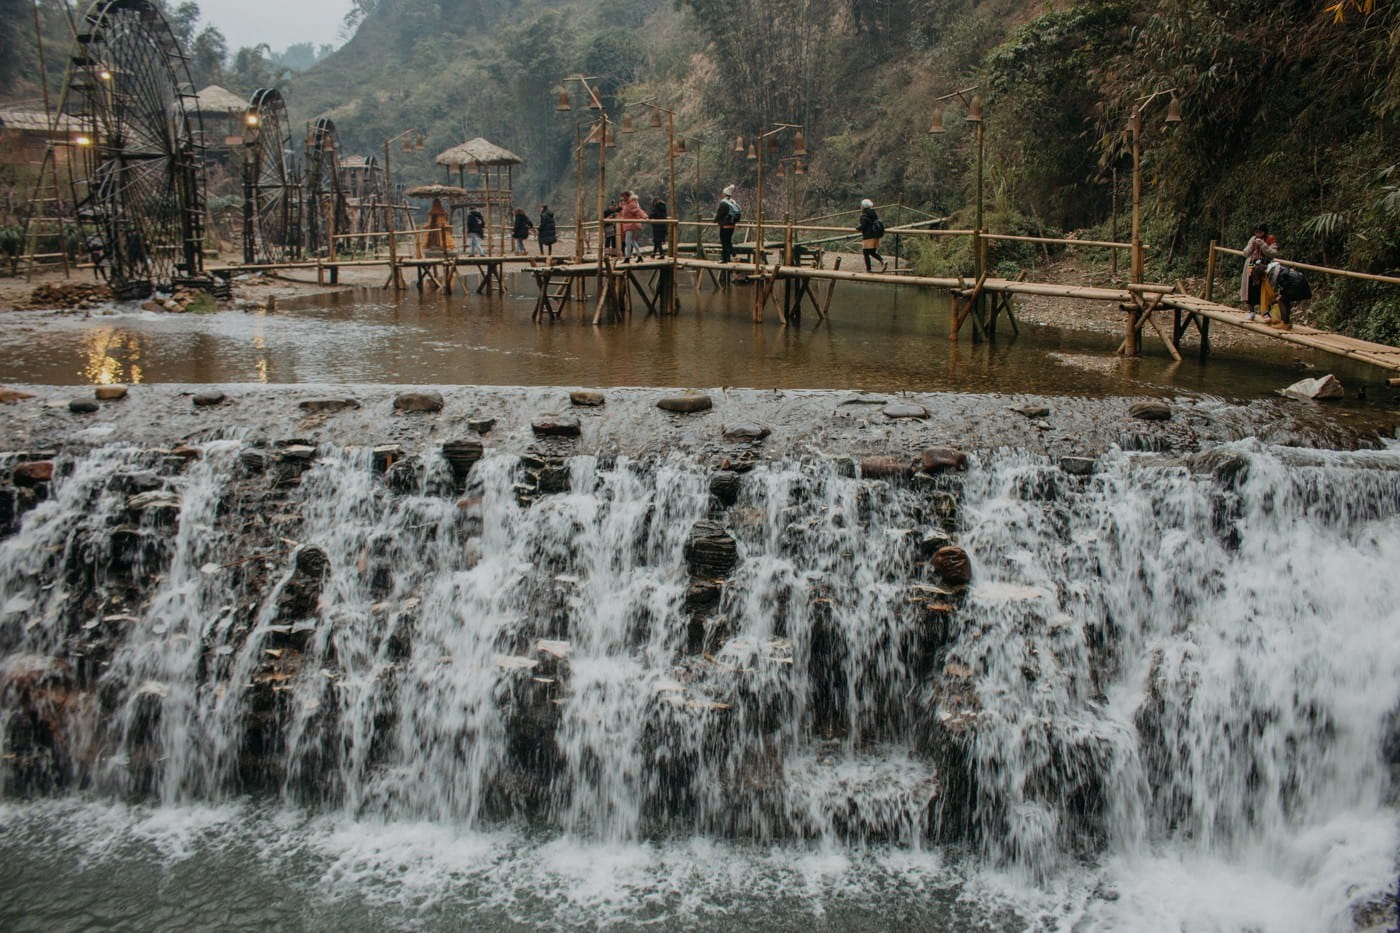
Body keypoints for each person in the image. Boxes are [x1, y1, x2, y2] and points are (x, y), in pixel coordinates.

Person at [1239, 223, 1278, 321]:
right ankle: (1251, 311)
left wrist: (1263, 245)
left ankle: (1265, 312)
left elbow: (1273, 253)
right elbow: (1245, 253)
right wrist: (1252, 245)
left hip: (1264, 266)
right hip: (1251, 265)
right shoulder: (1253, 239)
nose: (1258, 234)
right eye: (1256, 232)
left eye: (1260, 232)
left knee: (1264, 288)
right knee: (1249, 287)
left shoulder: (1270, 239)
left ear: (1264, 232)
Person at [1264, 261, 1310, 331]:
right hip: (1302, 288)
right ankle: (1287, 322)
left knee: (1281, 300)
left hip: (1297, 288)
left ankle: (1285, 323)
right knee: (1285, 300)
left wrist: (1281, 295)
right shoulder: (1285, 270)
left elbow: (1285, 286)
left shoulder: (1281, 275)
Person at [857, 198, 886, 272]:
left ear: (863, 206)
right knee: (872, 252)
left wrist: (857, 228)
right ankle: (882, 260)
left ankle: (868, 269)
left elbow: (863, 226)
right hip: (876, 236)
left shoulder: (864, 216)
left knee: (866, 253)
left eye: (861, 205)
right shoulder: (874, 213)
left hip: (868, 236)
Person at [714, 185, 741, 263]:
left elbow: (720, 214)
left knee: (724, 242)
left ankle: (725, 259)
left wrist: (715, 220)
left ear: (724, 194)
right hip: (732, 225)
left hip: (725, 226)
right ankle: (732, 256)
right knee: (728, 241)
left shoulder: (724, 203)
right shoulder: (733, 202)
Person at [620, 192, 649, 261]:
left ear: (627, 196)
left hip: (631, 224)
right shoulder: (626, 204)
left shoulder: (632, 204)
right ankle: (639, 256)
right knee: (632, 241)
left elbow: (638, 211)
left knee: (628, 241)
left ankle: (627, 257)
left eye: (624, 196)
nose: (623, 198)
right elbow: (625, 214)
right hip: (628, 224)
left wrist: (645, 217)